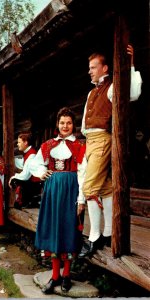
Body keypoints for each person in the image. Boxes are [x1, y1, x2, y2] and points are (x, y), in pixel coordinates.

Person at [78, 44, 143, 258]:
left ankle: (94, 236)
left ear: (105, 68)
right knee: (104, 187)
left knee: (89, 187)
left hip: (103, 140)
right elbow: (85, 124)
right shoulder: (91, 93)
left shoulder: (112, 87)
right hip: (91, 141)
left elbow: (132, 93)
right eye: (89, 67)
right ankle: (107, 232)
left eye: (94, 67)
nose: (90, 71)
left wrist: (131, 66)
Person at [29, 107, 86, 294]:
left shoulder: (78, 146)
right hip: (52, 192)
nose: (65, 126)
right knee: (54, 230)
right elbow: (34, 163)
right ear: (57, 124)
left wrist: (81, 200)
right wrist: (41, 172)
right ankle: (55, 276)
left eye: (69, 123)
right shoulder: (48, 145)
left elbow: (83, 174)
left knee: (68, 230)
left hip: (71, 191)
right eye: (62, 122)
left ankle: (67, 275)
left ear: (73, 125)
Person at [8, 131, 43, 208]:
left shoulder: (32, 155)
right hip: (32, 183)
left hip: (35, 185)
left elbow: (26, 175)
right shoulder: (28, 153)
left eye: (19, 142)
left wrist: (13, 177)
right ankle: (23, 200)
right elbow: (23, 165)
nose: (17, 144)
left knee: (15, 180)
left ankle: (28, 200)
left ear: (25, 143)